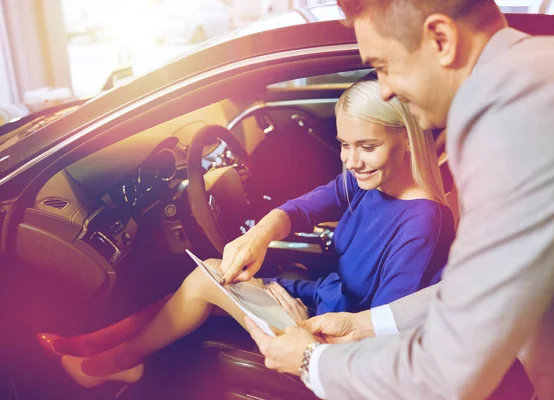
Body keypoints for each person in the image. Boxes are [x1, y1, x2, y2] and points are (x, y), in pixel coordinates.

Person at [241, 1, 554, 399]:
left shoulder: (512, 120)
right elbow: (478, 289)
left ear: (441, 39)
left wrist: (311, 361)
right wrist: (364, 325)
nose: (386, 89)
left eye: (383, 66)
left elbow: (449, 373)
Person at [36, 76, 455, 388]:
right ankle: (94, 347)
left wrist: (298, 319)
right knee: (201, 286)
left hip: (329, 328)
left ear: (406, 141)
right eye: (344, 144)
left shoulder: (423, 222)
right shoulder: (371, 180)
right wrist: (260, 234)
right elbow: (307, 206)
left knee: (206, 281)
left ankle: (102, 365)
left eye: (367, 146)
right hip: (321, 295)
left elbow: (380, 333)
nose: (351, 160)